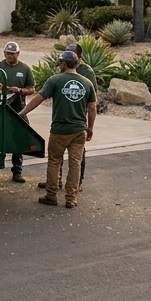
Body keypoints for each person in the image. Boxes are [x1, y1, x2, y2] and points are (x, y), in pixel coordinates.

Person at [20, 51, 96, 208]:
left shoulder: (55, 80)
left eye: (60, 63)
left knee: (54, 161)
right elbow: (92, 108)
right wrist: (90, 128)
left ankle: (51, 194)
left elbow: (38, 99)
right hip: (79, 130)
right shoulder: (87, 83)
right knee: (75, 163)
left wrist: (21, 113)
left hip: (60, 129)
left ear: (63, 64)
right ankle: (71, 198)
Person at [40, 42, 95, 191]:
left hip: (72, 123)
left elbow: (91, 104)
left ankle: (74, 185)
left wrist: (89, 127)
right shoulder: (62, 77)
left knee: (68, 160)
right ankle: (59, 184)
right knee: (68, 161)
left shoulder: (87, 74)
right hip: (77, 125)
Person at [0, 41, 33, 183]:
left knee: (18, 138)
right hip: (0, 108)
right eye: (7, 53)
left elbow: (31, 89)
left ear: (18, 54)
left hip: (18, 108)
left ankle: (17, 171)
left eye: (12, 54)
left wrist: (19, 90)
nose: (9, 56)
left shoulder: (24, 69)